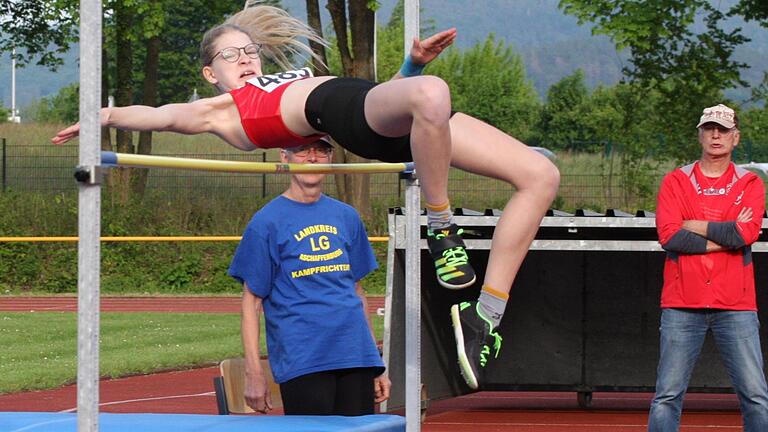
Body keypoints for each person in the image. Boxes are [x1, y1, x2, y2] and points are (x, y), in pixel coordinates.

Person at [52, 5, 560, 390]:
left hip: (379, 108)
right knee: (431, 93)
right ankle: (443, 226)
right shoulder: (218, 110)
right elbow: (158, 114)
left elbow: (387, 105)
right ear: (211, 73)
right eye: (232, 55)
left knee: (541, 174)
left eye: (250, 51)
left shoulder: (275, 77)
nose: (246, 59)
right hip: (349, 114)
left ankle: (483, 317)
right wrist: (106, 116)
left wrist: (410, 63)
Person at [229, 136, 391, 415]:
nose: (313, 158)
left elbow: (357, 292)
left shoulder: (347, 216)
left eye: (321, 151)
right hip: (304, 358)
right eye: (303, 151)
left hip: (355, 355)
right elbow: (251, 302)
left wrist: (375, 361)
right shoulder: (266, 222)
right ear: (284, 156)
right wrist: (253, 372)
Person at [648, 104, 768, 431]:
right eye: (710, 128)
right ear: (700, 135)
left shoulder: (750, 184)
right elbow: (670, 236)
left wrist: (695, 224)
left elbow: (747, 233)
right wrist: (727, 235)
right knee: (667, 395)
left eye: (724, 130)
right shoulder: (676, 180)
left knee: (755, 395)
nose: (717, 135)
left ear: (736, 137)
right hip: (681, 303)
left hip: (736, 304)